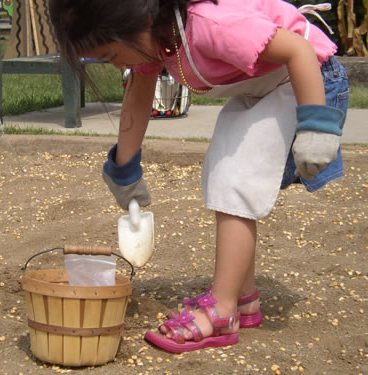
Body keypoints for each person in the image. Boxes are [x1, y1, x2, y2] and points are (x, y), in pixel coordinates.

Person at [48, 0, 348, 353]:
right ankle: (242, 297)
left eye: (113, 55)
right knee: (222, 174)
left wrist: (317, 124)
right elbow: (139, 93)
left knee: (236, 180)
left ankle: (221, 311)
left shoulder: (209, 25)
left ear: (133, 22)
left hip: (308, 82)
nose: (117, 65)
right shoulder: (157, 38)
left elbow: (299, 50)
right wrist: (124, 167)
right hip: (264, 87)